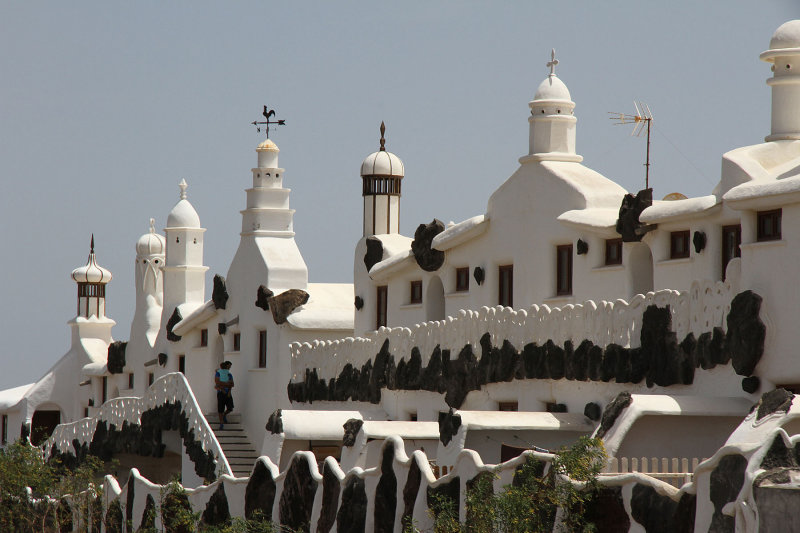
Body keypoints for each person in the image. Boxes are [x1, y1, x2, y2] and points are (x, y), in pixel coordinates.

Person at [215, 361, 234, 429]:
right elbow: (217, 382)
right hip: (220, 393)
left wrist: (228, 390)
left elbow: (232, 384)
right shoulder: (218, 373)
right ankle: (221, 423)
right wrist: (226, 384)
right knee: (220, 409)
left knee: (230, 408)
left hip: (227, 392)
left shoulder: (229, 374)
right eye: (229, 366)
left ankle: (224, 415)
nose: (229, 367)